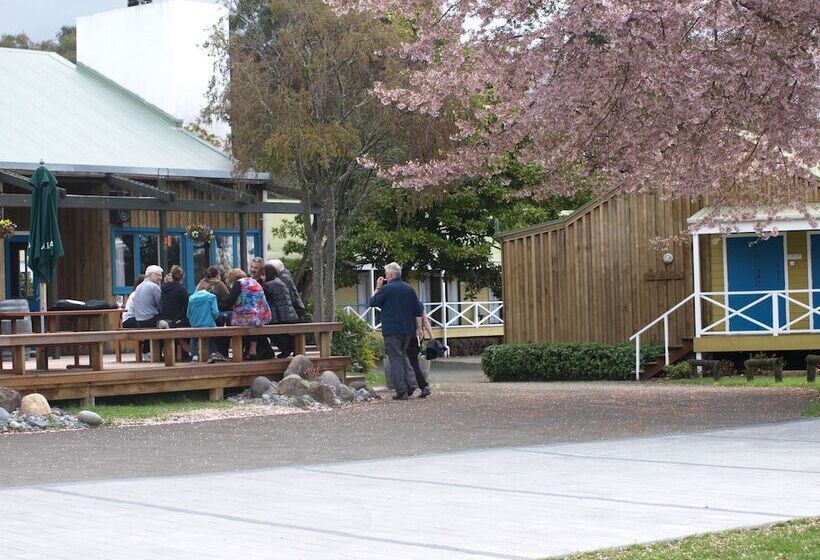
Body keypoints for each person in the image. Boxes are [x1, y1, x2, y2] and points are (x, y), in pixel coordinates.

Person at [369, 262, 423, 400]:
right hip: (407, 330)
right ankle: (411, 384)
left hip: (392, 329)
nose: (385, 276)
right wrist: (418, 327)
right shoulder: (409, 289)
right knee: (403, 355)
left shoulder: (387, 289)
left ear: (391, 274)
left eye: (386, 274)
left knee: (395, 358)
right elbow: (418, 309)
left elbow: (373, 302)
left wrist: (378, 287)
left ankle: (401, 390)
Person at [224, 268, 271, 360]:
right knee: (251, 320)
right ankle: (252, 349)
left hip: (247, 317)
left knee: (230, 320)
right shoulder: (254, 282)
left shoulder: (239, 283)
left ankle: (238, 352)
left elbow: (229, 301)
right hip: (262, 315)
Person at [263, 263, 299, 358]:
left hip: (280, 316)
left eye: (263, 274)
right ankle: (290, 348)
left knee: (266, 330)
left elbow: (262, 299)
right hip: (288, 314)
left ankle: (285, 349)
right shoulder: (280, 281)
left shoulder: (269, 285)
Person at [128, 265, 163, 360]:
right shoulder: (153, 287)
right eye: (158, 275)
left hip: (139, 320)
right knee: (168, 323)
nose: (161, 278)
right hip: (150, 319)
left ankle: (147, 351)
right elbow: (160, 304)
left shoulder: (139, 287)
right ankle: (161, 354)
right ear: (151, 275)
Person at [186, 284, 220, 363]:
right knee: (211, 337)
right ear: (209, 290)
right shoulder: (211, 297)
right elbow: (215, 312)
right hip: (208, 323)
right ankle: (213, 353)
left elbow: (188, 313)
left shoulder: (191, 298)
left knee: (194, 339)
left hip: (195, 324)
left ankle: (194, 356)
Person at [406, 311, 435, 398]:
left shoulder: (408, 304)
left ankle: (416, 386)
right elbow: (425, 321)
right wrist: (432, 336)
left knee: (410, 362)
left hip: (409, 335)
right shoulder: (418, 304)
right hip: (418, 336)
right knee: (413, 362)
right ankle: (419, 386)